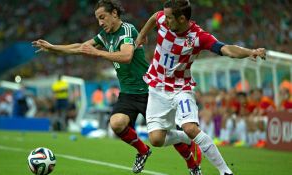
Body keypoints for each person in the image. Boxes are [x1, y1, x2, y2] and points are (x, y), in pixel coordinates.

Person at [32, 0, 202, 174]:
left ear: (114, 14)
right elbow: (81, 47)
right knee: (116, 123)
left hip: (149, 91)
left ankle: (193, 165)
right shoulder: (105, 36)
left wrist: (98, 52)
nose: (100, 23)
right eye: (98, 19)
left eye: (102, 17)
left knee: (165, 134)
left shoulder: (127, 30)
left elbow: (126, 55)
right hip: (128, 93)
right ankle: (143, 151)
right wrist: (53, 48)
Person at [136, 0, 266, 175]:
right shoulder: (162, 19)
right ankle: (186, 139)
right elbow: (154, 17)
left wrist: (250, 52)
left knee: (190, 127)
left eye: (168, 18)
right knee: (156, 140)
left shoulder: (198, 37)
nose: (164, 20)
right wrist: (142, 35)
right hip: (157, 87)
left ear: (182, 18)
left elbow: (226, 49)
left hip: (181, 88)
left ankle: (225, 171)